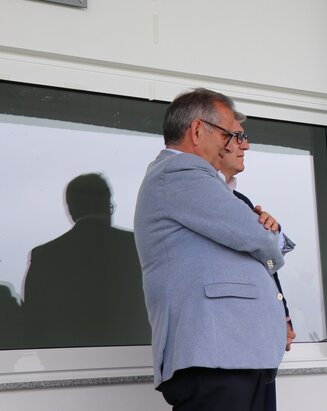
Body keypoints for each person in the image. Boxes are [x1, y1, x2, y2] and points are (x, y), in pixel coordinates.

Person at [135, 88, 287, 411]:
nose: (232, 143)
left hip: (233, 357)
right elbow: (257, 237)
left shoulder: (197, 180)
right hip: (216, 361)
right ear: (197, 130)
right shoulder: (179, 172)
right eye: (227, 134)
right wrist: (272, 237)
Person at [217, 129, 296, 411]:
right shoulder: (207, 198)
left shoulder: (242, 201)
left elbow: (266, 264)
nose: (246, 146)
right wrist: (269, 241)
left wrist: (281, 314)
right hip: (226, 349)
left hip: (258, 347)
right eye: (237, 137)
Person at [21, 173, 149, 347]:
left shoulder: (44, 256)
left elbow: (32, 324)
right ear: (107, 206)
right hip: (135, 354)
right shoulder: (139, 247)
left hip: (64, 357)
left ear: (71, 211)